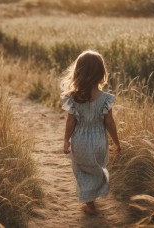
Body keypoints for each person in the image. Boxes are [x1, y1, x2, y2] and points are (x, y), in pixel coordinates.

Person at [61, 50, 121, 215]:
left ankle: (89, 203)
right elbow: (109, 122)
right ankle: (94, 195)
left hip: (79, 140)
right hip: (99, 142)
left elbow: (70, 121)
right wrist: (116, 142)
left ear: (78, 71)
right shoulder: (106, 98)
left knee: (81, 169)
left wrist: (66, 140)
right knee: (97, 168)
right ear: (102, 73)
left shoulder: (73, 97)